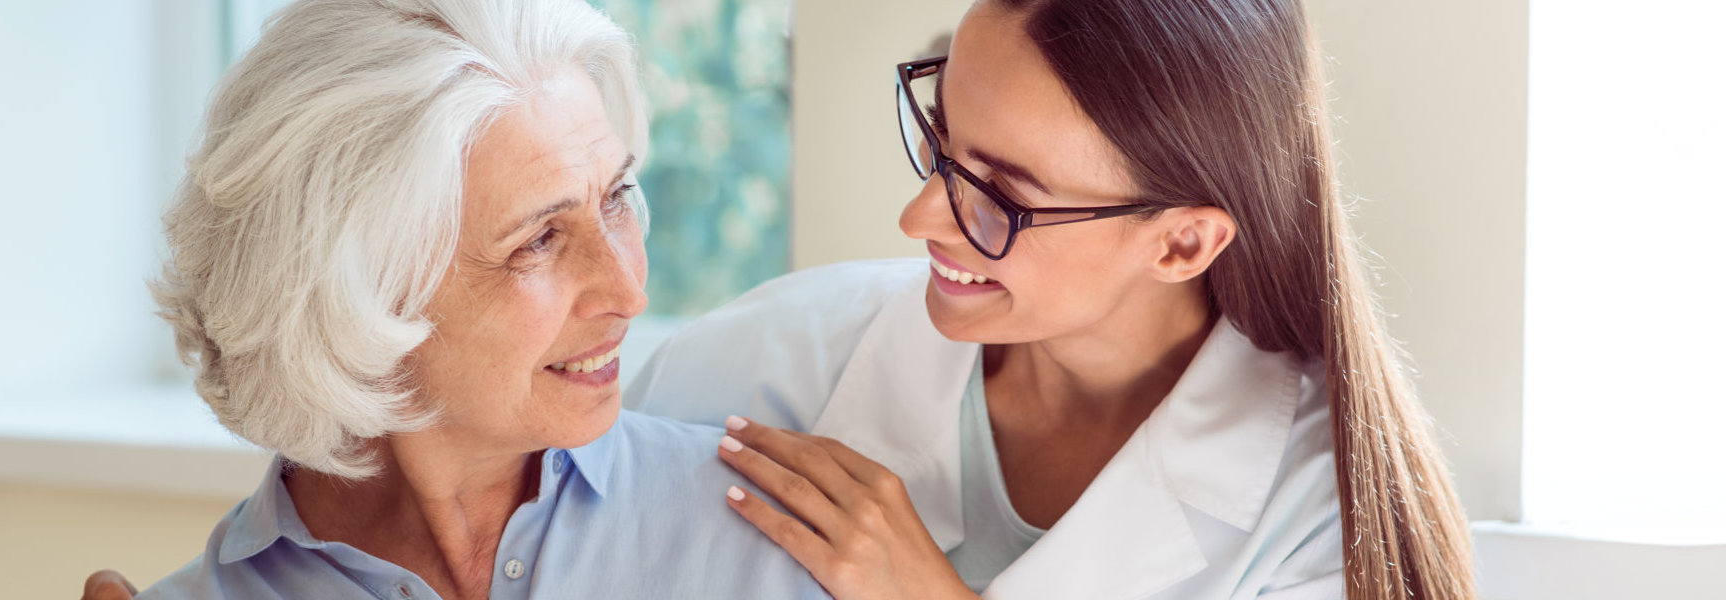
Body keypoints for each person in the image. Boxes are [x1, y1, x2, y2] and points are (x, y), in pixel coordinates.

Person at [632, 0, 1478, 598]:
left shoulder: (1318, 520)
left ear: (1180, 243)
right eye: (942, 143)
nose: (921, 217)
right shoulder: (765, 357)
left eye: (1001, 194)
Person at [115, 0, 829, 597]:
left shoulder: (773, 537)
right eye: (539, 240)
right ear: (359, 293)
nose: (627, 290)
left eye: (615, 198)